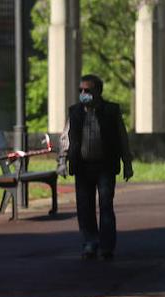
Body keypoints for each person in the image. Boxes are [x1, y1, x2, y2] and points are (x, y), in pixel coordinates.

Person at [57, 74, 135, 260]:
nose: (84, 94)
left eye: (88, 90)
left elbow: (122, 137)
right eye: (81, 90)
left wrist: (127, 162)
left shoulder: (111, 111)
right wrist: (62, 160)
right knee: (85, 207)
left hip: (105, 166)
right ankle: (90, 243)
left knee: (106, 205)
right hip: (82, 166)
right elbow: (65, 137)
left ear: (98, 92)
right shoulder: (74, 112)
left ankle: (106, 247)